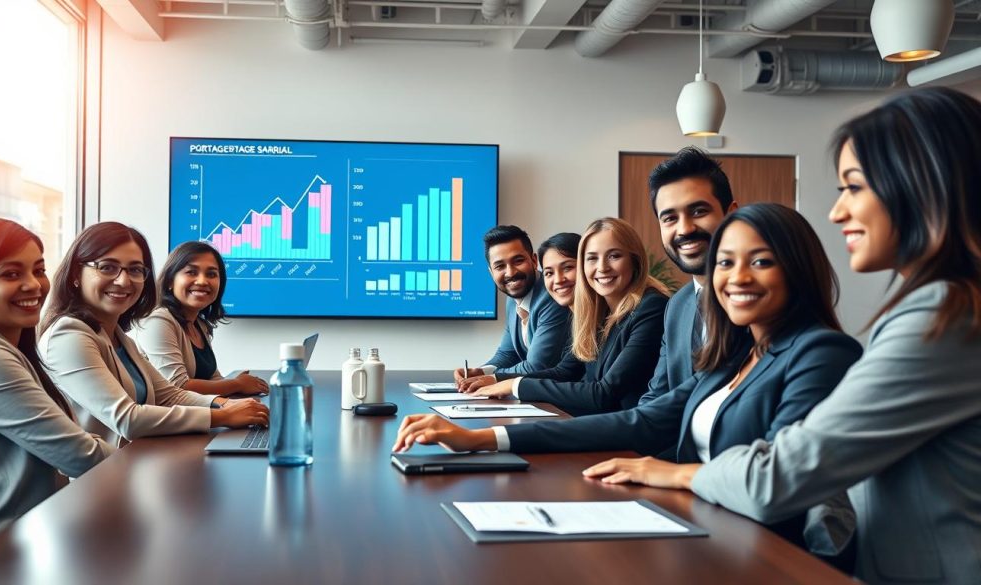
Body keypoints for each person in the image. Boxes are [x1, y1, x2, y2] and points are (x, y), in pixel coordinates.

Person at [617, 88, 981, 585]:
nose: (837, 213)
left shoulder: (947, 314)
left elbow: (781, 475)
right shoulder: (945, 305)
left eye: (854, 188)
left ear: (921, 185)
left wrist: (680, 474)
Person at [394, 204, 862, 553]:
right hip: (703, 528)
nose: (737, 277)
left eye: (760, 261)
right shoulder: (732, 355)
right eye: (725, 262)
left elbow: (779, 482)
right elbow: (640, 422)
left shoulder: (821, 352)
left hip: (768, 552)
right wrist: (482, 439)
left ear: (798, 268)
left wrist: (674, 474)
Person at [0, 219, 114, 556]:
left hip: (26, 539)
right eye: (11, 274)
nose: (34, 285)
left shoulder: (3, 347)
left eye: (38, 270)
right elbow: (81, 457)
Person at [39, 222, 268, 446]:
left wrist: (225, 405)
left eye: (135, 270)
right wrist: (223, 416)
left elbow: (169, 395)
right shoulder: (68, 336)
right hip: (97, 476)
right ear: (75, 275)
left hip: (137, 460)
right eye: (107, 267)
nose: (123, 280)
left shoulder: (120, 337)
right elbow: (127, 419)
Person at [462, 219, 669, 415]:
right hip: (601, 422)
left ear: (635, 260)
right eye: (592, 259)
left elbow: (604, 394)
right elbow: (565, 371)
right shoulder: (598, 313)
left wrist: (515, 385)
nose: (602, 267)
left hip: (630, 434)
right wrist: (495, 379)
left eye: (614, 256)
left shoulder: (650, 307)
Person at [640, 147, 737, 405]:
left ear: (731, 214)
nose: (685, 229)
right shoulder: (677, 305)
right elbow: (656, 402)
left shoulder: (759, 300)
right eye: (670, 218)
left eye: (698, 211)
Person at [135, 241, 267, 396]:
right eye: (191, 272)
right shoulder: (157, 322)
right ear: (170, 280)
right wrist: (236, 384)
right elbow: (178, 386)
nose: (203, 281)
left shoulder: (199, 324)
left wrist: (238, 387)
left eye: (211, 274)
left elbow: (214, 379)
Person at [454, 225, 571, 381]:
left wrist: (493, 379)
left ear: (534, 261)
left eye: (518, 261)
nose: (510, 272)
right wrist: (480, 372)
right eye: (500, 266)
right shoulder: (513, 299)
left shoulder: (553, 296)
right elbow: (508, 354)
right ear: (491, 272)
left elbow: (537, 366)